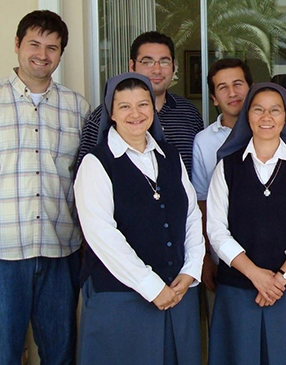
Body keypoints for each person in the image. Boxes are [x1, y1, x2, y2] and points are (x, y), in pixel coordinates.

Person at [0, 10, 90, 364]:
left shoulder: (76, 108)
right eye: (34, 43)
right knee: (2, 356)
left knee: (60, 355)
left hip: (60, 250)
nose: (42, 53)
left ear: (61, 53)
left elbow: (86, 182)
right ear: (17, 44)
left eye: (52, 47)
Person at [75, 72, 204, 364]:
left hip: (177, 294)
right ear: (111, 113)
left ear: (153, 108)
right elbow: (101, 234)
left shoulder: (170, 156)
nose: (135, 114)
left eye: (143, 104)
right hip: (121, 298)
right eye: (125, 106)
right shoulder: (96, 163)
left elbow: (191, 216)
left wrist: (190, 271)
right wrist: (151, 286)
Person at [206, 83, 286, 365]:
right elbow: (216, 230)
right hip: (237, 289)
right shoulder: (227, 167)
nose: (266, 117)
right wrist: (256, 275)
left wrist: (279, 278)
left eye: (275, 110)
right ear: (248, 115)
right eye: (258, 109)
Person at [76, 31, 204, 178]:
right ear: (132, 65)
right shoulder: (104, 116)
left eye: (164, 61)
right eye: (147, 62)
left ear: (173, 66)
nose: (157, 70)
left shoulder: (189, 113)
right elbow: (85, 175)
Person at [192, 58, 252, 296]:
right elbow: (201, 201)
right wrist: (206, 257)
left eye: (238, 84)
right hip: (223, 257)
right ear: (214, 99)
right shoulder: (204, 141)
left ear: (251, 88)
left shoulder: (275, 132)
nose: (232, 93)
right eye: (222, 87)